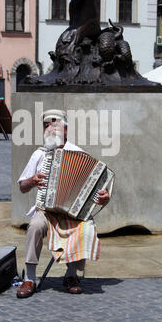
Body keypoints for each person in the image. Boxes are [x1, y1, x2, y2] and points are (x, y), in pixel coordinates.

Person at [16, 109, 110, 298]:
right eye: (46, 125)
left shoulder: (80, 155)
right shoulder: (39, 154)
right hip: (46, 210)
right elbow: (22, 186)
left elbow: (97, 191)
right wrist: (33, 181)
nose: (50, 128)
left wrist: (104, 197)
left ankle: (71, 275)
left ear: (65, 129)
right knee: (34, 226)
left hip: (71, 212)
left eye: (54, 123)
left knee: (85, 226)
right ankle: (30, 278)